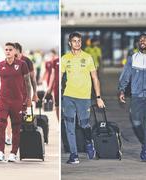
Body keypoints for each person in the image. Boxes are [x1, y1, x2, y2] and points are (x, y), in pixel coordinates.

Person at [118, 33, 146, 162]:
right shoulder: (133, 58)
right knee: (136, 122)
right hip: (136, 96)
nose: (142, 41)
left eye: (145, 40)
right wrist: (121, 90)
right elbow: (125, 75)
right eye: (140, 40)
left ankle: (145, 150)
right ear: (138, 43)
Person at [61, 32, 105, 164]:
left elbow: (95, 78)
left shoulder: (88, 58)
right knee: (69, 126)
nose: (77, 43)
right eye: (74, 41)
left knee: (84, 124)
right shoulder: (64, 58)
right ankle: (74, 155)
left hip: (84, 98)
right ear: (70, 43)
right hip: (68, 97)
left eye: (79, 41)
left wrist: (98, 97)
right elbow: (59, 77)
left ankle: (88, 142)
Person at [0, 42, 31, 162]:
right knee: (1, 125)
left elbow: (27, 82)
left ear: (15, 51)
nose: (8, 51)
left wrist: (29, 98)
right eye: (6, 49)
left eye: (10, 49)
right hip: (3, 100)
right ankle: (0, 152)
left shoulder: (22, 64)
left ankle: (13, 152)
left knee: (16, 126)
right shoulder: (0, 65)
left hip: (17, 100)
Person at [46, 56, 59, 121]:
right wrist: (50, 87)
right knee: (57, 106)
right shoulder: (55, 61)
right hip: (56, 87)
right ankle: (59, 122)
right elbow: (52, 74)